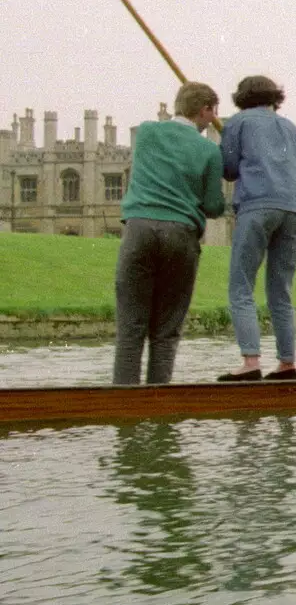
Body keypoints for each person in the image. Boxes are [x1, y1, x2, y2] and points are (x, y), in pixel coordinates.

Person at [111, 82, 226, 385]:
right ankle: (157, 406)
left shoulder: (147, 132)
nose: (214, 120)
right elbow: (214, 206)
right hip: (180, 235)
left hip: (139, 230)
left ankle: (124, 408)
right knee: (165, 330)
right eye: (214, 113)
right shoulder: (210, 151)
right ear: (205, 110)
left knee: (130, 328)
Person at [219, 76, 296, 381]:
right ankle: (287, 364)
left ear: (241, 98)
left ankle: (250, 362)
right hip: (295, 212)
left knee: (241, 284)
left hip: (258, 207)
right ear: (275, 98)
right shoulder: (292, 129)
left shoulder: (239, 122)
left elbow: (229, 169)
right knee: (281, 291)